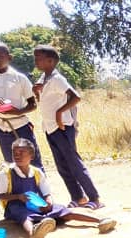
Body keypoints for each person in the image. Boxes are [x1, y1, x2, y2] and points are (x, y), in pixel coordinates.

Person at [0, 138, 115, 238]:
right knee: (25, 216)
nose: (17, 156)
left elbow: (46, 193)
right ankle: (33, 234)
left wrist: (48, 202)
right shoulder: (6, 173)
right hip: (15, 205)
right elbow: (0, 195)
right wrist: (18, 197)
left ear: (31, 156)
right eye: (15, 153)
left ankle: (101, 220)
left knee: (62, 210)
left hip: (35, 204)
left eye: (21, 153)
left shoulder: (37, 172)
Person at [31, 45, 104, 209]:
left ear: (50, 61)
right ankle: (78, 197)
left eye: (39, 58)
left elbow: (76, 97)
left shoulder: (57, 79)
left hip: (62, 127)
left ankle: (95, 198)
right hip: (49, 128)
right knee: (62, 165)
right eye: (35, 57)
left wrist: (59, 113)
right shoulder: (44, 78)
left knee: (74, 163)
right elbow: (45, 101)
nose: (35, 61)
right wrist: (36, 92)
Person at [0, 41, 44, 169]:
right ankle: (20, 189)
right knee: (12, 168)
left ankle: (41, 189)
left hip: (22, 128)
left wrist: (18, 112)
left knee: (34, 165)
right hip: (2, 129)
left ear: (9, 57)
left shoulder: (20, 78)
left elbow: (33, 105)